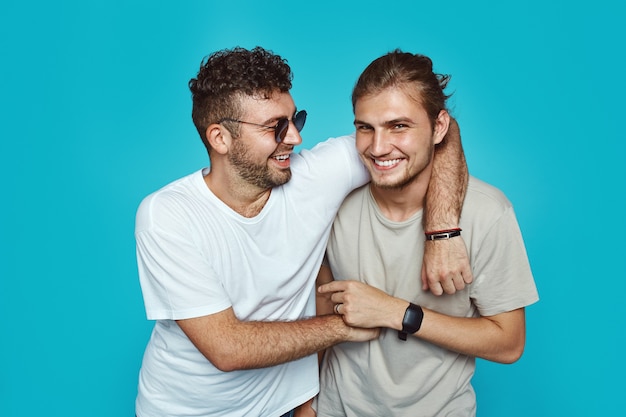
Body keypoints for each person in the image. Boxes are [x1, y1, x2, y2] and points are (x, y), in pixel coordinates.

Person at [134, 46, 469, 417]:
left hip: (286, 409)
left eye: (296, 120)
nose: (294, 138)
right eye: (275, 126)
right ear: (220, 138)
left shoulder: (315, 176)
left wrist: (442, 232)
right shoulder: (168, 214)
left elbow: (438, 130)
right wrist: (343, 327)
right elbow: (227, 348)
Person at [315, 50, 539, 417]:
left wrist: (399, 313)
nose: (378, 147)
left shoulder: (487, 212)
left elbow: (509, 343)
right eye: (365, 127)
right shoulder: (334, 202)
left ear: (438, 128)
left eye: (399, 126)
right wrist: (309, 407)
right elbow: (323, 310)